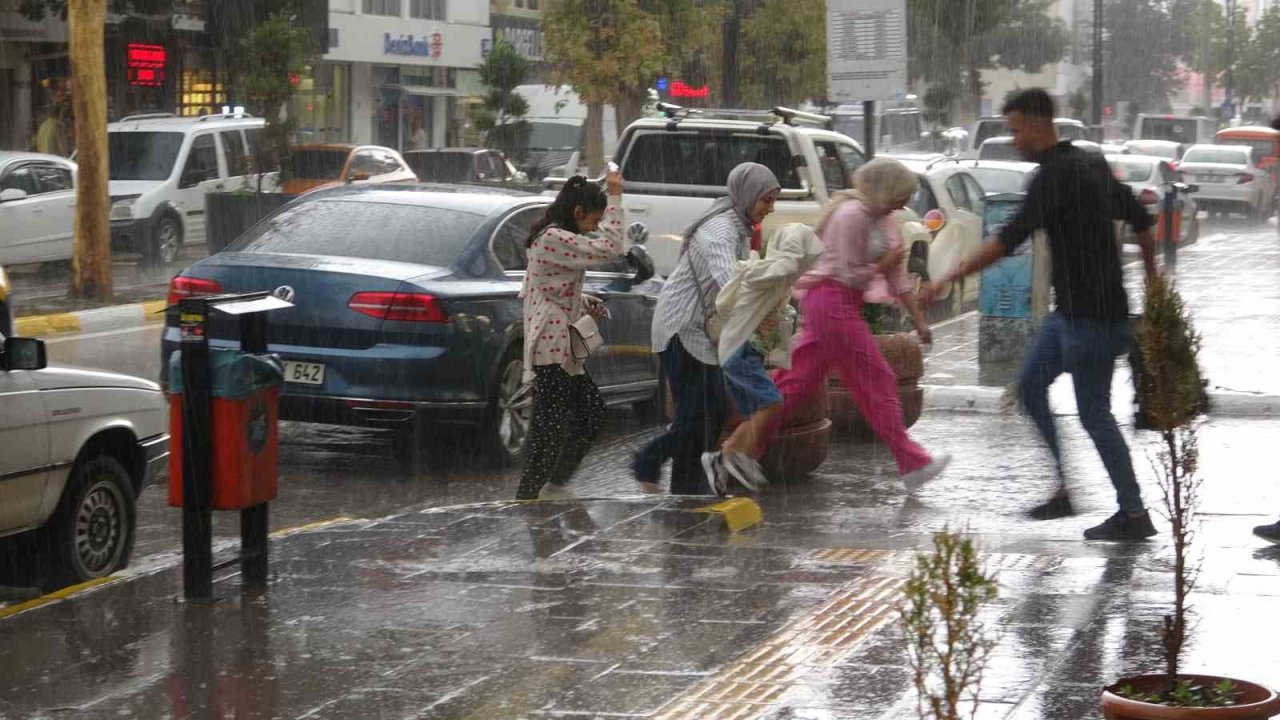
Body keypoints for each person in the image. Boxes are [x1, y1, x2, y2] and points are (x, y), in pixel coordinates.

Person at [921, 88, 1159, 541]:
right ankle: (1068, 489)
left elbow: (1008, 239)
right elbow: (1143, 221)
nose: (1013, 140)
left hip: (1091, 318)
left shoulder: (1053, 177)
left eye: (1014, 130)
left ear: (1036, 123)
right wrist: (1152, 281)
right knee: (1031, 387)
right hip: (1078, 313)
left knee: (1094, 414)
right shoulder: (1090, 163)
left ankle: (1132, 513)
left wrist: (948, 276)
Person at [763, 158, 950, 493]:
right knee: (876, 380)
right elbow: (850, 273)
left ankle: (740, 445)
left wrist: (919, 319)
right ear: (885, 191)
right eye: (901, 195)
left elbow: (897, 275)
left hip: (839, 304)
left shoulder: (884, 219)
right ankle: (912, 462)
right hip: (832, 301)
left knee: (796, 385)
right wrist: (881, 265)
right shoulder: (852, 216)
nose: (905, 204)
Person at [636, 162, 781, 495]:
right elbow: (732, 285)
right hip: (680, 326)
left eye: (773, 201)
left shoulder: (739, 227)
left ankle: (684, 486)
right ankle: (654, 465)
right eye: (766, 201)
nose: (769, 209)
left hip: (700, 329)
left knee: (708, 414)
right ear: (747, 195)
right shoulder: (719, 230)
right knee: (701, 413)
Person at [515, 172, 626, 501]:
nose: (594, 227)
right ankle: (529, 499)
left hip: (562, 348)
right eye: (594, 220)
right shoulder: (552, 238)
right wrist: (616, 199)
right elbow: (611, 247)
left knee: (590, 414)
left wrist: (584, 301)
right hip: (551, 349)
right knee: (550, 433)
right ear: (578, 212)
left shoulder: (556, 236)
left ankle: (550, 488)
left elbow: (547, 284)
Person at [704, 223, 825, 491]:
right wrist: (793, 255)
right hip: (738, 351)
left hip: (745, 352)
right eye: (801, 257)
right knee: (770, 403)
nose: (802, 265)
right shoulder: (763, 272)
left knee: (757, 412)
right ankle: (729, 456)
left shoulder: (778, 280)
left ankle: (727, 459)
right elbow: (784, 265)